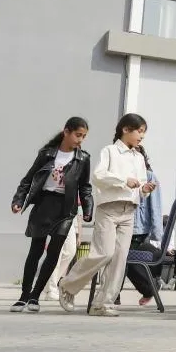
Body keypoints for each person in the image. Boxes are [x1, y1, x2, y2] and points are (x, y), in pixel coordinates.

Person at [59, 114, 155, 316]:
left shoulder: (138, 158)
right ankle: (67, 285)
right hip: (109, 210)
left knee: (119, 259)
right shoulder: (110, 151)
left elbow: (140, 188)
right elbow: (98, 176)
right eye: (139, 131)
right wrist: (124, 180)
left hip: (129, 211)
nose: (142, 136)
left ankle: (103, 303)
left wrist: (145, 189)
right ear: (125, 129)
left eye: (144, 132)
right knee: (104, 253)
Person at [10, 117, 94, 312]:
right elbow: (28, 179)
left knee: (54, 253)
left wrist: (88, 209)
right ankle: (23, 296)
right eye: (78, 135)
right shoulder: (47, 154)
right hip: (44, 204)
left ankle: (35, 296)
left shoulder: (83, 158)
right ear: (66, 131)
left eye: (84, 136)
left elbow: (85, 187)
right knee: (35, 251)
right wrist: (18, 200)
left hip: (66, 210)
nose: (80, 139)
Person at [125, 160, 165, 307]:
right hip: (121, 223)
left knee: (123, 257)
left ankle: (148, 288)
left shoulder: (149, 176)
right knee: (120, 258)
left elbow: (156, 207)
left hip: (138, 228)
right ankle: (148, 288)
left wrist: (157, 236)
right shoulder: (122, 173)